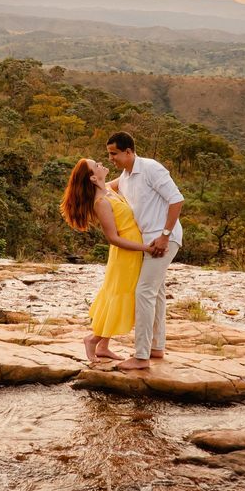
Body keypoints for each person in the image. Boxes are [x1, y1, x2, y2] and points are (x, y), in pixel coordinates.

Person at [60, 158, 152, 364]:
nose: (102, 163)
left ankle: (103, 346)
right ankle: (92, 340)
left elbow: (127, 174)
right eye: (96, 165)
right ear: (93, 177)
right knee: (120, 295)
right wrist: (146, 248)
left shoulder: (108, 189)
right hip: (125, 254)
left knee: (119, 294)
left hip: (132, 251)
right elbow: (113, 238)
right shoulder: (100, 202)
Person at [105, 131, 184, 371]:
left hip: (163, 240)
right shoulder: (125, 176)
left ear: (128, 152)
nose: (111, 159)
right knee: (157, 293)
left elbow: (176, 200)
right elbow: (107, 187)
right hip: (148, 243)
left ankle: (141, 357)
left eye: (114, 154)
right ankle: (156, 347)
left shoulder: (151, 168)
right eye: (109, 154)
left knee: (143, 292)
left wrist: (165, 235)